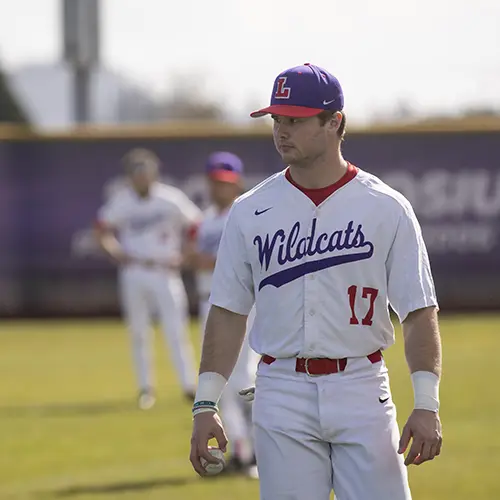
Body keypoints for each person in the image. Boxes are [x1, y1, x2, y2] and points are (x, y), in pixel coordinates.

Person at [189, 63, 443, 500]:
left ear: (334, 122)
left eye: (296, 119)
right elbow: (229, 311)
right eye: (277, 119)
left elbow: (419, 311)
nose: (281, 131)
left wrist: (427, 403)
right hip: (280, 388)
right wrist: (206, 402)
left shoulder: (386, 206)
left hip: (361, 387)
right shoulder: (250, 210)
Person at [95, 148, 200, 409]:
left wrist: (185, 255)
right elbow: (101, 228)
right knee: (139, 331)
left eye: (146, 171)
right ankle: (145, 388)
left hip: (164, 269)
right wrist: (116, 252)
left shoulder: (169, 198)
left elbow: (197, 224)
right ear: (129, 176)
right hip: (135, 270)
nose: (141, 177)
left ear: (154, 173)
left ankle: (188, 385)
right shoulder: (122, 201)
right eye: (136, 172)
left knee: (176, 329)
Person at [186, 151, 260, 477]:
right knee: (218, 383)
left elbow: (250, 261)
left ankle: (257, 449)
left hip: (241, 304)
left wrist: (209, 260)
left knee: (241, 380)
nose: (220, 188)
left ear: (237, 183)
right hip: (208, 302)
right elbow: (189, 255)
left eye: (226, 182)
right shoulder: (202, 221)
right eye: (216, 181)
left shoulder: (247, 215)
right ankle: (245, 452)